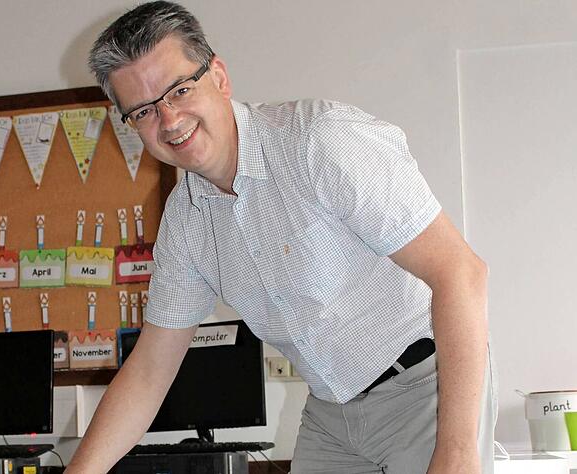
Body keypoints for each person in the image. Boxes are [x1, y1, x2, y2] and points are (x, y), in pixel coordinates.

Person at [68, 2, 496, 473]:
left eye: (179, 89)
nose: (168, 120)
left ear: (220, 77)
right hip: (332, 413)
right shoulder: (186, 223)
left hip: (426, 391)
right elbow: (150, 369)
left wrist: (457, 452)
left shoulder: (320, 141)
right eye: (144, 111)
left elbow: (460, 272)